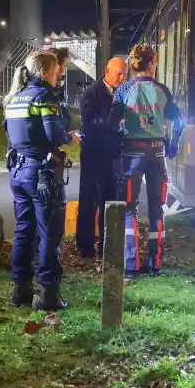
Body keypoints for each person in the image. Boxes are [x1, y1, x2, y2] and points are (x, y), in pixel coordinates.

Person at [4, 51, 78, 310]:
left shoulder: (15, 98)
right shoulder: (44, 97)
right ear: (47, 70)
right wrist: (69, 137)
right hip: (42, 174)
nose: (59, 73)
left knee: (24, 230)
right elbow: (54, 134)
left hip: (18, 172)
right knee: (49, 233)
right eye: (57, 69)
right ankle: (49, 295)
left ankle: (21, 289)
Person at [108, 44, 184, 279]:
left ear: (132, 65)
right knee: (156, 209)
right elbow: (179, 121)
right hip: (157, 154)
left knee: (130, 209)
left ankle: (131, 266)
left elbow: (111, 123)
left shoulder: (124, 90)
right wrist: (173, 143)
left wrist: (122, 133)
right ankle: (156, 263)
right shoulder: (162, 90)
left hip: (132, 155)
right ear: (152, 64)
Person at [77, 57, 127, 261]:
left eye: (124, 74)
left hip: (114, 156)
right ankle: (85, 248)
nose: (122, 78)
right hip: (94, 155)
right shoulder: (91, 93)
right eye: (119, 73)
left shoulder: (123, 93)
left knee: (110, 202)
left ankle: (107, 246)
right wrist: (114, 123)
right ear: (107, 71)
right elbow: (90, 122)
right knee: (90, 202)